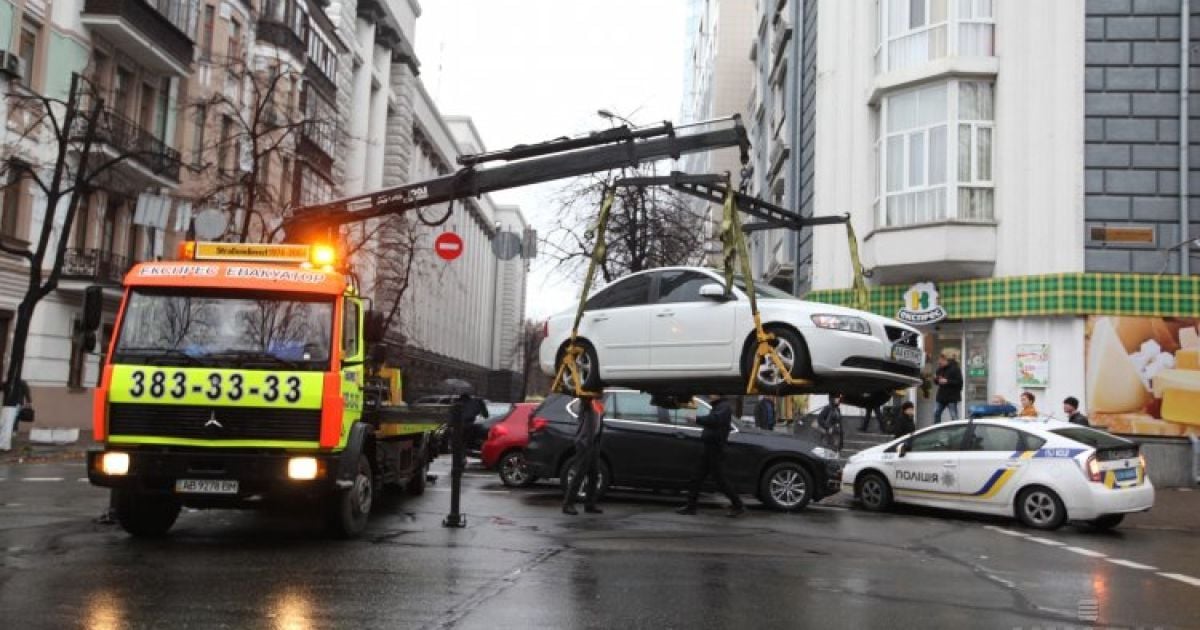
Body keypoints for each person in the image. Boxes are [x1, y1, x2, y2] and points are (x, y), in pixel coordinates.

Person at [677, 394, 745, 517]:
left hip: (715, 448)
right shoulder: (718, 406)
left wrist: (696, 419)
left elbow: (714, 420)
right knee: (697, 478)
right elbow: (711, 421)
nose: (710, 395)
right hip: (709, 447)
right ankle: (691, 506)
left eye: (713, 393)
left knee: (720, 480)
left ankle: (738, 505)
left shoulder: (724, 407)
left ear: (719, 395)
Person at [563, 397, 605, 515]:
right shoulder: (587, 402)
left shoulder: (598, 403)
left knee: (594, 474)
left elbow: (598, 421)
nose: (602, 393)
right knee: (580, 473)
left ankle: (590, 504)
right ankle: (568, 504)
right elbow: (583, 396)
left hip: (594, 442)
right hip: (584, 442)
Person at [933, 354, 963, 424]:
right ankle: (937, 428)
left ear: (945, 360)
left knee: (954, 416)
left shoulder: (955, 368)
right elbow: (936, 382)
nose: (939, 365)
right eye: (939, 363)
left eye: (940, 363)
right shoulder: (939, 369)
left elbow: (959, 382)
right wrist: (936, 379)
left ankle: (956, 428)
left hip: (952, 397)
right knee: (936, 413)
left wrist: (947, 381)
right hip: (941, 396)